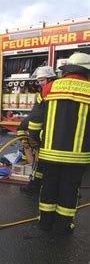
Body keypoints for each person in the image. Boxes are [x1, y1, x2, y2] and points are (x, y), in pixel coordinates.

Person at [28, 52, 90, 235]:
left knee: (49, 187)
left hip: (49, 154)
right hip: (78, 157)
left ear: (67, 69)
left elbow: (34, 122)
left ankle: (45, 223)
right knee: (69, 190)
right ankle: (64, 226)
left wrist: (36, 141)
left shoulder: (49, 88)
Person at [18, 66, 56, 194]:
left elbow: (36, 117)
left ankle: (37, 187)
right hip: (57, 133)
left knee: (43, 162)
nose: (40, 83)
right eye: (39, 81)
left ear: (50, 78)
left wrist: (33, 138)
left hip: (47, 134)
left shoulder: (46, 92)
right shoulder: (58, 90)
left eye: (42, 80)